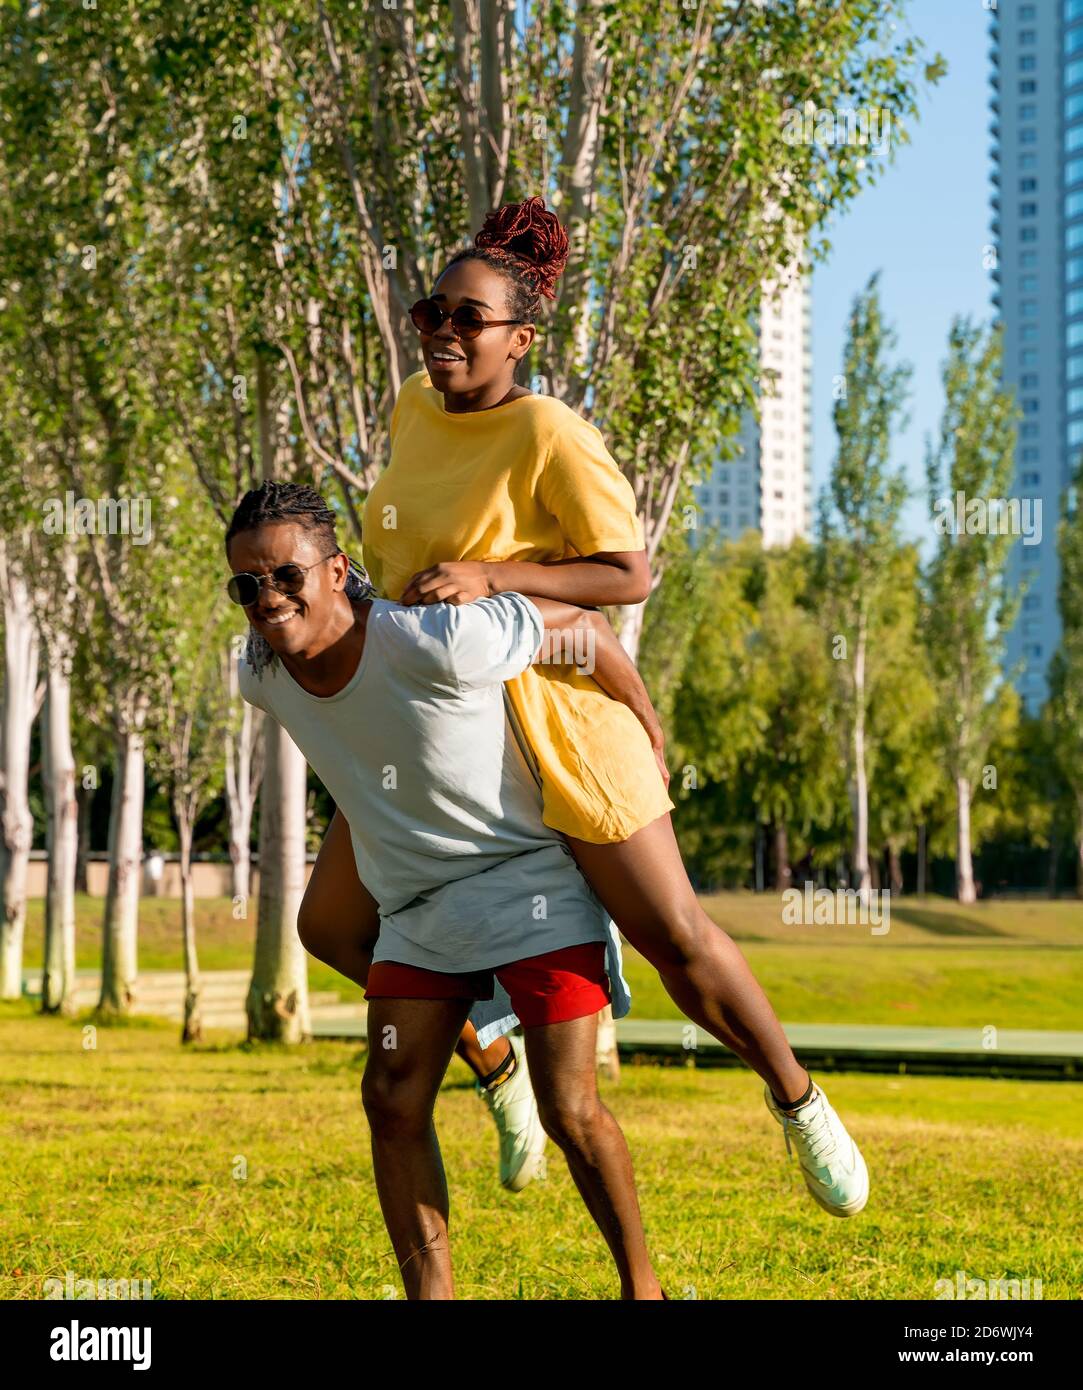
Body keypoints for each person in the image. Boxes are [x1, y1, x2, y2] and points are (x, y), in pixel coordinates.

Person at [352, 193, 869, 1219]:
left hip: (558, 716)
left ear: (520, 338)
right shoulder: (414, 410)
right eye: (431, 312)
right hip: (435, 722)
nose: (443, 332)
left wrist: (492, 571)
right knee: (337, 925)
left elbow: (628, 573)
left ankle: (801, 1101)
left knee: (675, 935)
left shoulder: (550, 432)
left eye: (468, 318)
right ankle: (494, 1064)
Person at [228, 491, 663, 1299]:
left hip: (528, 888)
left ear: (338, 570)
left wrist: (642, 722)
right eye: (245, 587)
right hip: (417, 915)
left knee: (568, 1109)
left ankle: (644, 1290)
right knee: (391, 1098)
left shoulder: (435, 640)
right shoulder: (257, 672)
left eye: (285, 575)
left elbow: (581, 629)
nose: (268, 599)